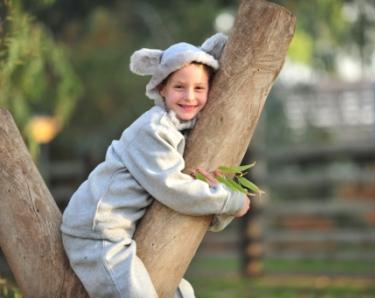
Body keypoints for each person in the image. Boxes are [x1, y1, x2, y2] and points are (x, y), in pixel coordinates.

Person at [60, 33, 251, 298]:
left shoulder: (182, 131)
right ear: (162, 88)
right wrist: (229, 201)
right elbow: (174, 189)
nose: (189, 97)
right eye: (179, 87)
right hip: (98, 232)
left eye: (199, 88)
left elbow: (190, 207)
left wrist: (221, 209)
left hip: (127, 233)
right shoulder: (154, 129)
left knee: (180, 291)